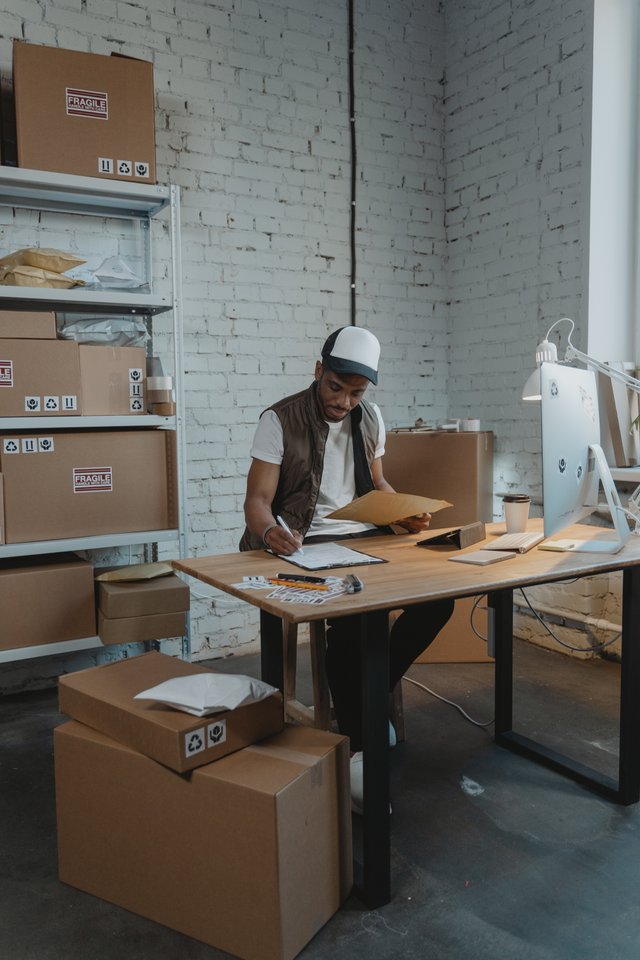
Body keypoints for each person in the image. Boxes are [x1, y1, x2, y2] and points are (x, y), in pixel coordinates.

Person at [240, 326, 454, 812]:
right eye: (336, 387)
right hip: (304, 541)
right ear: (319, 372)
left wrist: (401, 510)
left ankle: (368, 703)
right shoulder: (279, 419)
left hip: (364, 539)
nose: (343, 402)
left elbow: (377, 483)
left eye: (356, 393)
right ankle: (360, 745)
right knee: (354, 620)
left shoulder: (370, 417)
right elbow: (256, 501)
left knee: (440, 599)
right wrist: (271, 531)